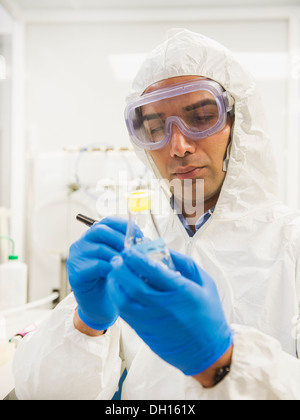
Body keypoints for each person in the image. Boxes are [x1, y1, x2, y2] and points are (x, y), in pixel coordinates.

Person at [13, 28, 300, 400]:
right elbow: (44, 393)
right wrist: (87, 322)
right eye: (155, 127)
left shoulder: (290, 241)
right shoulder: (138, 239)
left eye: (200, 118)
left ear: (238, 123)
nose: (177, 145)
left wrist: (221, 361)